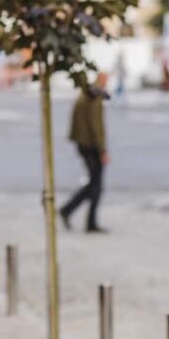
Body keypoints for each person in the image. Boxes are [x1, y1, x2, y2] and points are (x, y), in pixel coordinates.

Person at [60, 72, 110, 234]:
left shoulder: (84, 94)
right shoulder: (94, 98)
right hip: (91, 146)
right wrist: (102, 150)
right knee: (96, 185)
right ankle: (87, 220)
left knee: (94, 185)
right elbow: (96, 127)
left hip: (83, 144)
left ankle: (70, 211)